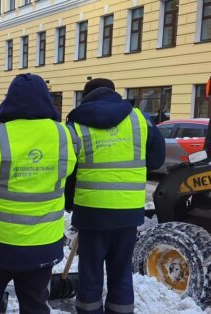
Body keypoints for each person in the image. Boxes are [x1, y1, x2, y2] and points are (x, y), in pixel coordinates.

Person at [0, 73, 78, 314]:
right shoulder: (67, 137)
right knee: (35, 306)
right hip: (43, 244)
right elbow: (69, 183)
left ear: (9, 100)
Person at [65, 78, 165, 314]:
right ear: (114, 93)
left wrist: (70, 204)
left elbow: (68, 170)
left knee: (90, 271)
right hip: (128, 213)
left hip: (91, 213)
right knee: (121, 271)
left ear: (86, 96)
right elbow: (156, 159)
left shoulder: (76, 124)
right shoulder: (139, 119)